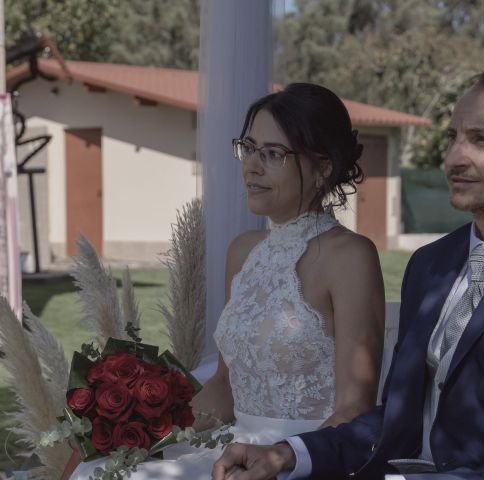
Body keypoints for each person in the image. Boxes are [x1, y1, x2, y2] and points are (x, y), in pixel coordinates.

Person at [212, 65, 484, 480]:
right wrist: (288, 455)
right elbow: (396, 422)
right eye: (453, 137)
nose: (454, 157)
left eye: (481, 139)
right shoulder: (432, 264)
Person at [65, 83, 385, 479]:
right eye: (248, 148)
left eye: (272, 154)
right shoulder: (243, 251)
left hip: (298, 459)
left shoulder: (350, 256)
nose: (251, 166)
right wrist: (134, 433)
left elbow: (355, 410)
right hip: (231, 444)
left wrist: (283, 459)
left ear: (323, 167)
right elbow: (225, 387)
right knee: (97, 469)